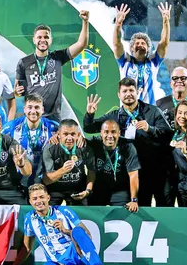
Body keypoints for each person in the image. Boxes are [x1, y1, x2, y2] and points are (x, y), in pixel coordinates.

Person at [84, 78, 171, 206]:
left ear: (138, 92)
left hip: (151, 170)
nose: (128, 94)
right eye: (124, 91)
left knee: (156, 206)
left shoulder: (152, 111)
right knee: (136, 207)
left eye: (131, 90)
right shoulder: (114, 115)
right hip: (128, 173)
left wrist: (150, 129)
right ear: (119, 95)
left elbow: (168, 135)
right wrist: (89, 114)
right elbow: (89, 128)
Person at [10, 184, 119, 265]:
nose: (38, 201)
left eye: (41, 197)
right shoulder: (29, 219)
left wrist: (66, 230)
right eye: (35, 199)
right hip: (62, 264)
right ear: (30, 201)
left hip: (78, 256)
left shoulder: (64, 211)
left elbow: (87, 234)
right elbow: (27, 247)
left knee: (77, 230)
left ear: (48, 198)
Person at [13, 10, 90, 121]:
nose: (43, 40)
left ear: (51, 40)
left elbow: (81, 44)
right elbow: (17, 90)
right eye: (39, 37)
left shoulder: (58, 57)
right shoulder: (24, 62)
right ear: (34, 40)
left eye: (46, 37)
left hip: (53, 117)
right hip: (32, 116)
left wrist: (85, 21)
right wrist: (17, 92)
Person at [112, 3, 170, 103]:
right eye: (137, 43)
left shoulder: (153, 61)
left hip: (149, 111)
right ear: (131, 48)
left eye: (143, 43)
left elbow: (164, 43)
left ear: (148, 48)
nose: (140, 45)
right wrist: (118, 24)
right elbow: (117, 44)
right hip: (127, 111)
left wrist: (166, 22)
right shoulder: (124, 60)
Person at [2, 93, 59, 188]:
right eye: (30, 107)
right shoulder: (11, 127)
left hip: (43, 184)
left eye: (37, 107)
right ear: (24, 109)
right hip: (16, 184)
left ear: (42, 110)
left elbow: (70, 133)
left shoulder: (53, 128)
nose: (33, 111)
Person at [84, 120, 140, 210]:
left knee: (124, 212)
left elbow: (133, 175)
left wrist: (134, 200)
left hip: (120, 190)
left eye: (113, 132)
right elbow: (75, 140)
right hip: (98, 188)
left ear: (119, 133)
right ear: (101, 133)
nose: (110, 136)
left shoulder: (128, 146)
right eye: (106, 132)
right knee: (93, 213)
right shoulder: (94, 142)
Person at [42, 119, 94, 206]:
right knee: (50, 213)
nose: (69, 138)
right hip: (55, 190)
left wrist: (88, 191)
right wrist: (63, 170)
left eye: (73, 134)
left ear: (78, 135)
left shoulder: (84, 147)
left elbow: (91, 171)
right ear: (58, 134)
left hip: (78, 189)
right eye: (65, 134)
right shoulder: (50, 149)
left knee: (82, 214)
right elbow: (46, 180)